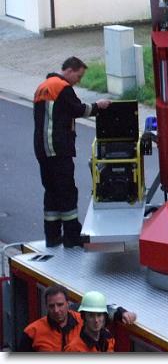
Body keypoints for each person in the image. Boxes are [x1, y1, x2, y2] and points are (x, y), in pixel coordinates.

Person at [33, 56, 112, 247]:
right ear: (69, 70)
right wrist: (98, 106)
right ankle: (72, 236)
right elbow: (78, 109)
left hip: (43, 149)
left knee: (52, 192)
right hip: (58, 149)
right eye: (78, 76)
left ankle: (52, 236)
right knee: (67, 191)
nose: (78, 81)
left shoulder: (42, 87)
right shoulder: (62, 87)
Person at [17, 285, 136, 352]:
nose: (56, 310)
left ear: (67, 303)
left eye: (60, 305)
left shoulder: (84, 319)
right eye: (51, 306)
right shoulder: (32, 332)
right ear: (46, 306)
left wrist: (122, 313)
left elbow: (101, 309)